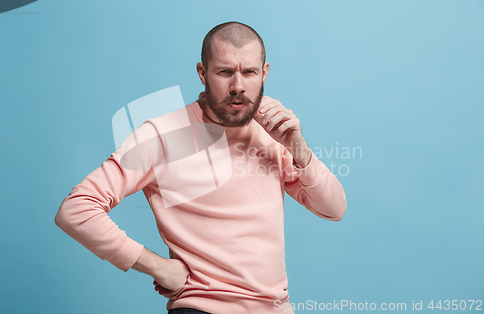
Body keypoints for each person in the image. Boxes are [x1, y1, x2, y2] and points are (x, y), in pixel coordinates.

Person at [55, 21, 347, 314]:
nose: (238, 86)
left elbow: (334, 209)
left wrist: (299, 148)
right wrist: (157, 266)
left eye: (249, 72)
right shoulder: (161, 135)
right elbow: (77, 209)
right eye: (224, 72)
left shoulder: (273, 132)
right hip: (202, 308)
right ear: (202, 73)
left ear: (264, 73)